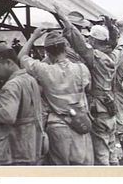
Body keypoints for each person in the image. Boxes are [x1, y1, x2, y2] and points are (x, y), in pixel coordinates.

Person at [55, 5, 123, 165]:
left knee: (101, 157)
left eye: (90, 38)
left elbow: (79, 43)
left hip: (99, 109)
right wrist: (119, 32)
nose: (88, 40)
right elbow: (122, 46)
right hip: (110, 107)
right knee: (111, 152)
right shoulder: (114, 56)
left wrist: (64, 19)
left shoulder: (96, 58)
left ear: (95, 40)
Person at [18, 29, 94, 165]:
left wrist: (33, 37)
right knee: (82, 168)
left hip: (57, 126)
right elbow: (88, 89)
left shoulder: (44, 70)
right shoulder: (82, 68)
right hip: (79, 123)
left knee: (59, 170)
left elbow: (21, 56)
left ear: (47, 52)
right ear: (65, 48)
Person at [0, 44, 44, 165]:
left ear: (8, 62)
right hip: (33, 144)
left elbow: (7, 116)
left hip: (16, 147)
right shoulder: (30, 79)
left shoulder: (12, 85)